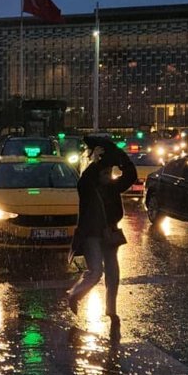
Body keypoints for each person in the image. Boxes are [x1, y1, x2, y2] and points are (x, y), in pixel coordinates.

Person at [65, 135, 137, 331]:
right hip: (91, 235)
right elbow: (85, 180)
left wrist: (121, 158)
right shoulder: (88, 187)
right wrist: (97, 162)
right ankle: (75, 295)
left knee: (113, 272)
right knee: (96, 271)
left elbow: (130, 176)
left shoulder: (112, 187)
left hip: (109, 233)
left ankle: (111, 309)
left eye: (109, 172)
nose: (108, 175)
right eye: (104, 172)